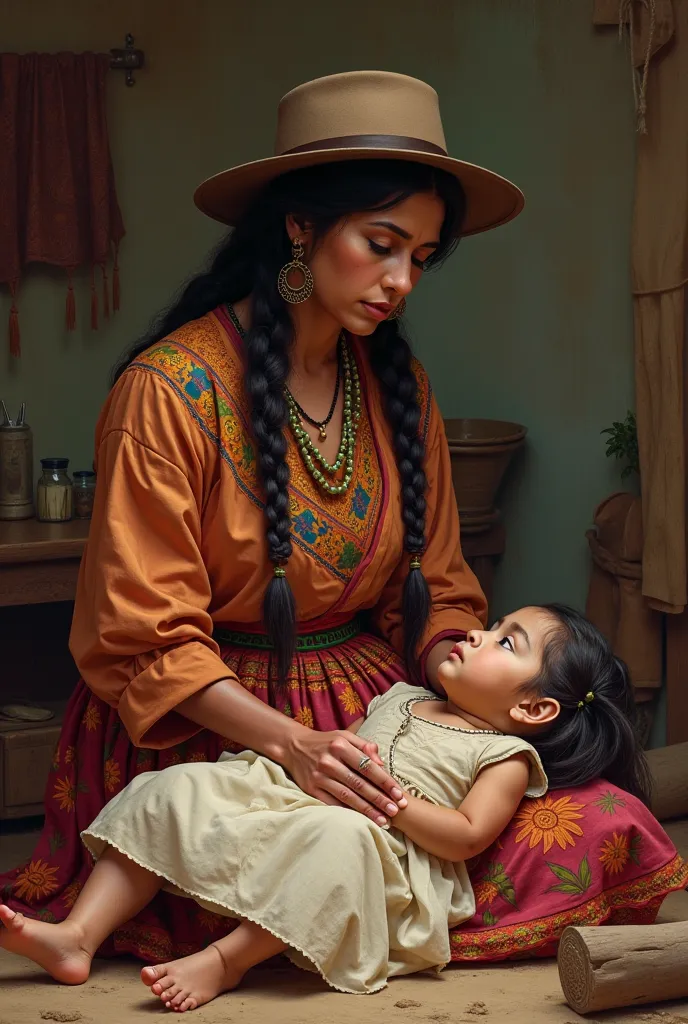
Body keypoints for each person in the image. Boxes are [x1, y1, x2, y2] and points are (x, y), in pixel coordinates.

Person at [0, 71, 524, 953]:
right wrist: (296, 746)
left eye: (422, 258)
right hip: (211, 731)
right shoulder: (167, 393)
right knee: (321, 872)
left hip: (366, 713)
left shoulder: (398, 387)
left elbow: (434, 584)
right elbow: (145, 638)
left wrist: (460, 683)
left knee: (570, 826)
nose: (401, 281)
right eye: (381, 243)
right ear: (300, 226)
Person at [0, 605, 651, 1011]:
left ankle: (226, 961)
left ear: (532, 710)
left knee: (338, 840)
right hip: (308, 800)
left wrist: (393, 806)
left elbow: (465, 837)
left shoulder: (505, 754)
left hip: (389, 856)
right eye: (494, 626)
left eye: (507, 643)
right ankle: (78, 936)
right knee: (174, 788)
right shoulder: (402, 692)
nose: (478, 633)